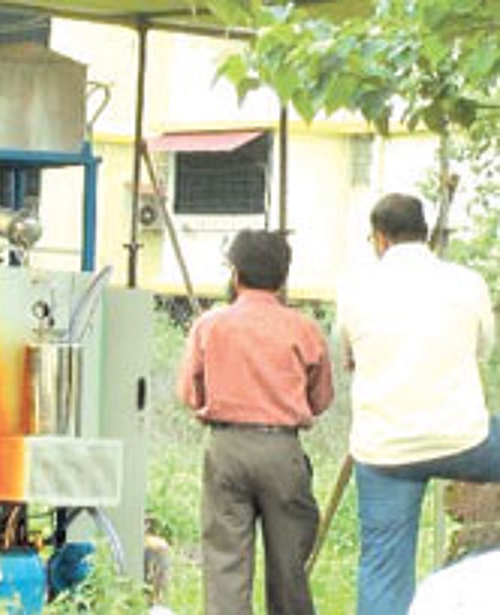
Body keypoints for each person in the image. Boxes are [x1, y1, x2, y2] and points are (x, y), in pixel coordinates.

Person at [337, 193, 500, 615]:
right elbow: (482, 348)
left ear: (379, 239)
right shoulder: (468, 282)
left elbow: (350, 357)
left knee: (383, 567)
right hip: (463, 438)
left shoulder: (355, 289)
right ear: (425, 234)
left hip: (385, 450)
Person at [177, 229, 334, 615]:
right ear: (283, 277)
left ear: (235, 274)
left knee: (225, 563)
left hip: (226, 448)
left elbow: (189, 394)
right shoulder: (304, 328)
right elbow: (321, 399)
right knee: (289, 565)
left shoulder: (210, 325)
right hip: (282, 449)